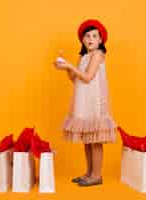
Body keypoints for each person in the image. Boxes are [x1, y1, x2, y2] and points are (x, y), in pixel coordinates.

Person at [53, 19, 117, 186]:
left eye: (94, 36)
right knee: (87, 141)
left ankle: (96, 175)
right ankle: (89, 173)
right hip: (83, 102)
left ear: (100, 40)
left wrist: (70, 66)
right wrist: (66, 67)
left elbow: (88, 77)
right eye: (87, 36)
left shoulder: (98, 55)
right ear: (82, 39)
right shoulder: (83, 57)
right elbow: (75, 79)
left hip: (94, 101)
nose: (90, 39)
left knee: (95, 141)